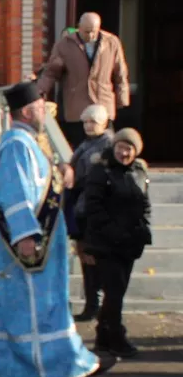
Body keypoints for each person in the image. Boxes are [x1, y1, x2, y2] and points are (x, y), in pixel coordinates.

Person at [0, 82, 107, 377]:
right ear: (28, 111)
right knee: (29, 305)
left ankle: (57, 360)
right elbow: (14, 192)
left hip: (36, 240)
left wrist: (62, 172)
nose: (46, 112)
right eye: (42, 108)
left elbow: (39, 183)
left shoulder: (30, 141)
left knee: (35, 303)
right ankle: (44, 365)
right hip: (24, 242)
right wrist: (25, 235)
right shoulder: (17, 143)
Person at [84, 128, 151, 358]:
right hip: (106, 243)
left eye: (129, 148)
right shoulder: (100, 171)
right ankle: (115, 336)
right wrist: (113, 232)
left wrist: (143, 228)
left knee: (117, 292)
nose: (124, 152)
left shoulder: (139, 172)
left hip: (130, 244)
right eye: (121, 147)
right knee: (113, 292)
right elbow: (93, 207)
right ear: (114, 147)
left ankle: (104, 337)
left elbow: (144, 204)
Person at [37, 12, 130, 147]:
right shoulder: (64, 44)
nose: (91, 36)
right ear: (79, 27)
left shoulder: (112, 42)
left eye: (94, 32)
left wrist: (123, 99)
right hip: (77, 103)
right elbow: (51, 72)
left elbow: (120, 72)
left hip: (102, 101)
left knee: (106, 144)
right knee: (79, 145)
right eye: (87, 32)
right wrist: (39, 91)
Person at [65, 103, 114, 321]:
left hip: (95, 207)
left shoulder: (108, 144)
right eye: (85, 121)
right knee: (85, 257)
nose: (87, 125)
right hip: (80, 205)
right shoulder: (86, 144)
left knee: (94, 258)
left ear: (103, 122)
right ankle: (91, 303)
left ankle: (99, 305)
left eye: (92, 121)